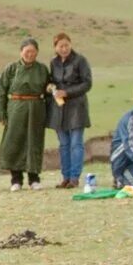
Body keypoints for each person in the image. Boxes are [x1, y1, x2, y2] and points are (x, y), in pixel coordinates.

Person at [0, 37, 51, 191]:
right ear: (21, 52)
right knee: (15, 141)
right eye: (27, 51)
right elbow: (2, 91)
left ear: (37, 52)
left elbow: (48, 90)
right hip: (16, 108)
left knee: (34, 141)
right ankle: (16, 180)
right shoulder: (11, 69)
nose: (30, 54)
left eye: (33, 51)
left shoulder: (42, 69)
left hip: (36, 109)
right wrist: (1, 112)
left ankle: (34, 179)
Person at [47, 32, 93, 188]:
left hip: (76, 108)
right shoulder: (53, 63)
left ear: (70, 44)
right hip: (59, 109)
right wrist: (50, 87)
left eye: (66, 45)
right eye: (61, 46)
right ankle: (65, 177)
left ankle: (74, 177)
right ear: (55, 47)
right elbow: (53, 80)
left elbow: (87, 83)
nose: (64, 48)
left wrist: (67, 92)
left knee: (76, 144)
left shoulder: (80, 60)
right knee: (64, 145)